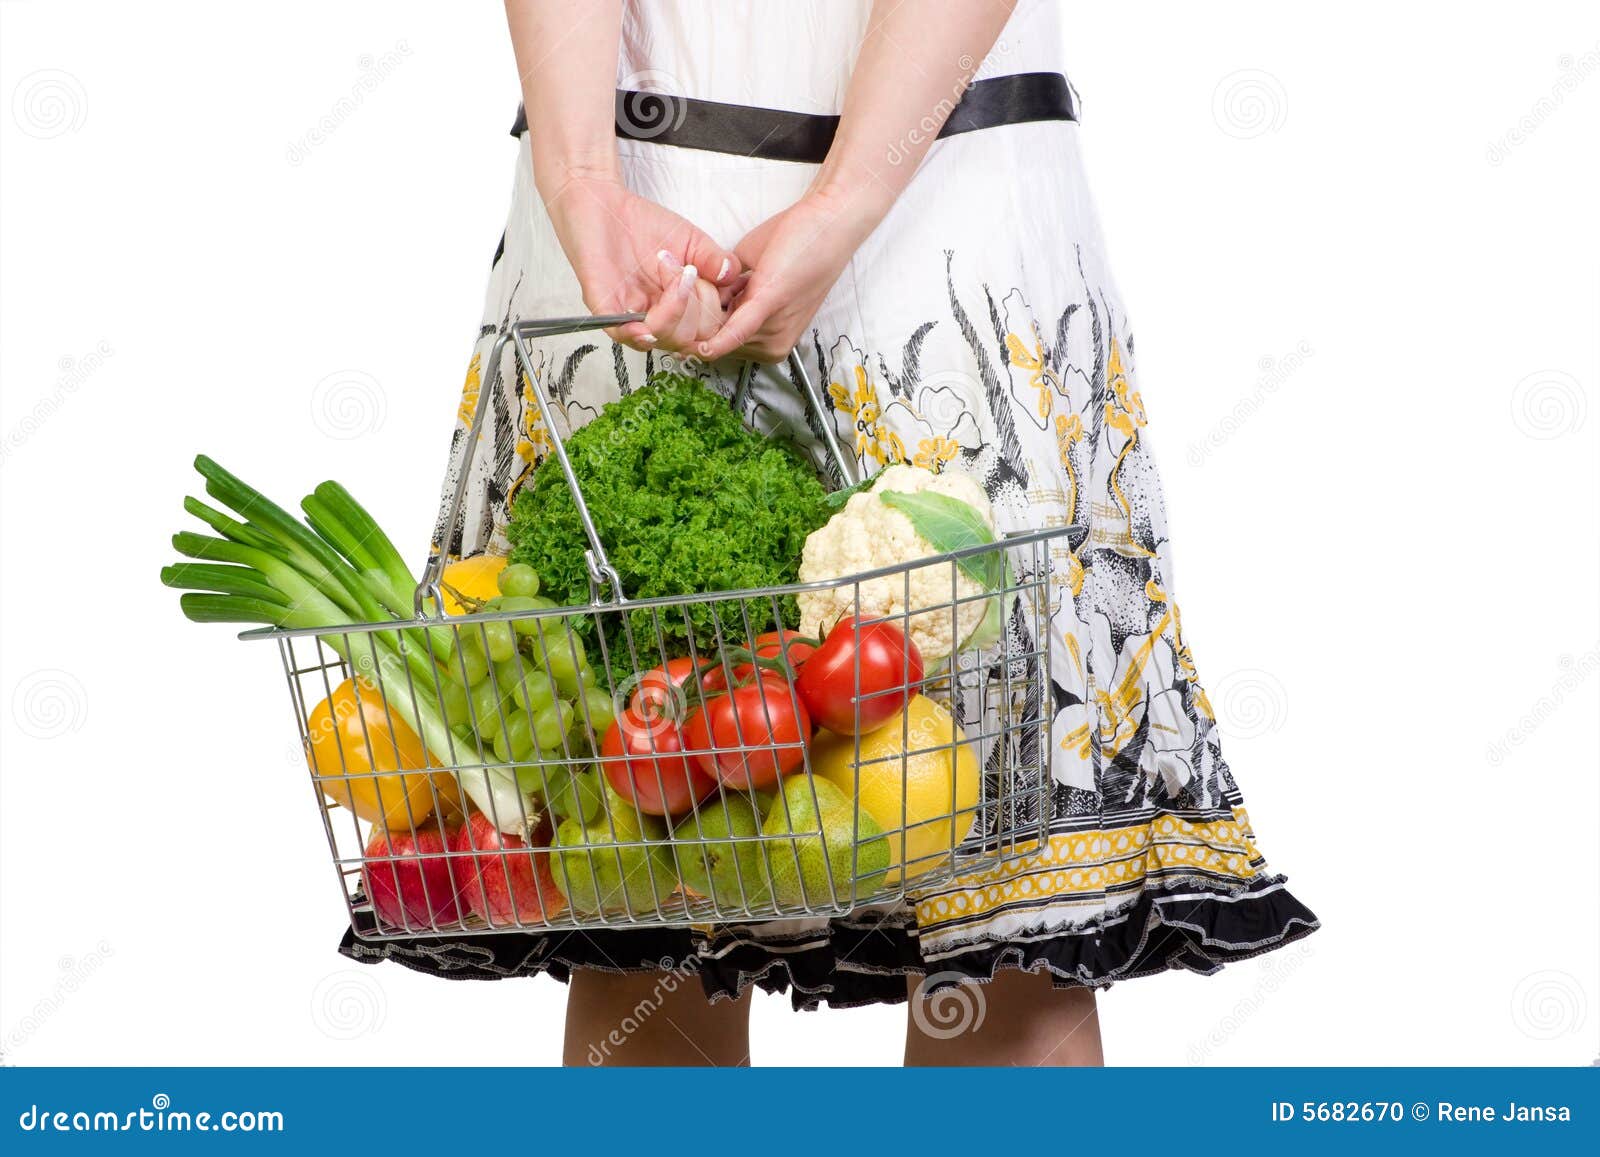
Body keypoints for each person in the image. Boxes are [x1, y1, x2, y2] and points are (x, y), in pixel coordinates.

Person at [341, 0, 1319, 1066]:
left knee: (1002, 915)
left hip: (921, 196)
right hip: (631, 221)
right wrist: (578, 182)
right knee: (646, 889)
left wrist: (814, 193)